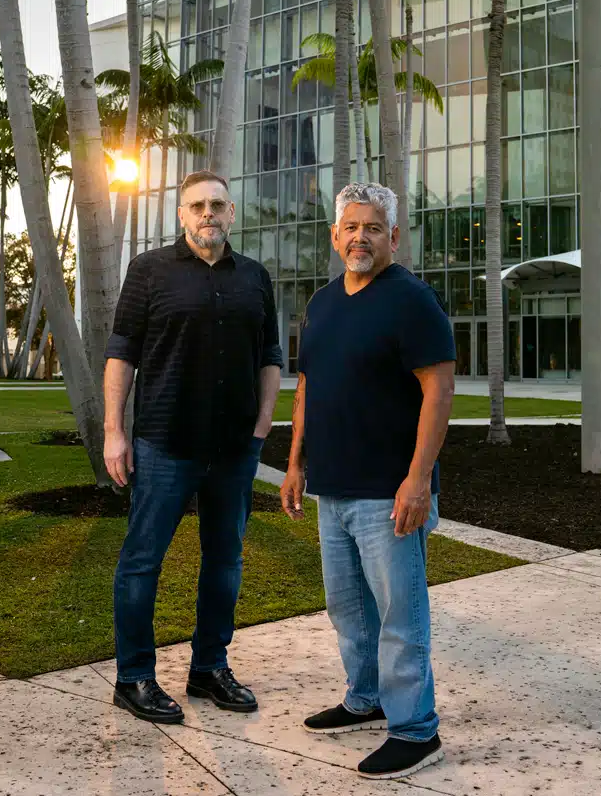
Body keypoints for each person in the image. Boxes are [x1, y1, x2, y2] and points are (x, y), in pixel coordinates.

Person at [280, 182, 456, 780]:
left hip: (389, 491)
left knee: (400, 614)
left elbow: (439, 388)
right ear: (335, 236)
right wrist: (296, 462)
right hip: (333, 486)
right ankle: (365, 699)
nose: (361, 237)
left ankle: (415, 730)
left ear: (394, 237)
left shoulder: (410, 300)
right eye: (351, 227)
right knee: (349, 608)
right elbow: (308, 387)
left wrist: (417, 480)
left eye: (373, 227)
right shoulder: (324, 303)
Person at [104, 169, 283, 724]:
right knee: (142, 562)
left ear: (232, 214)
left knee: (225, 561)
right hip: (164, 443)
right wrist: (114, 431)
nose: (208, 214)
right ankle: (134, 678)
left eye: (218, 205)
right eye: (197, 206)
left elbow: (270, 357)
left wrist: (261, 428)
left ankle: (209, 668)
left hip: (234, 449)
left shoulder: (255, 277)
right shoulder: (150, 271)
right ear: (182, 215)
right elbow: (122, 354)